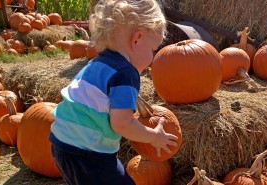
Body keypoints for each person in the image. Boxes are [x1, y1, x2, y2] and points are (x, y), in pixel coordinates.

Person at [49, 0, 178, 184]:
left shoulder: (97, 64)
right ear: (136, 40)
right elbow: (122, 124)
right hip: (88, 154)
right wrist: (154, 137)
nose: (152, 58)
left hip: (62, 144)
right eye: (152, 49)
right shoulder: (126, 74)